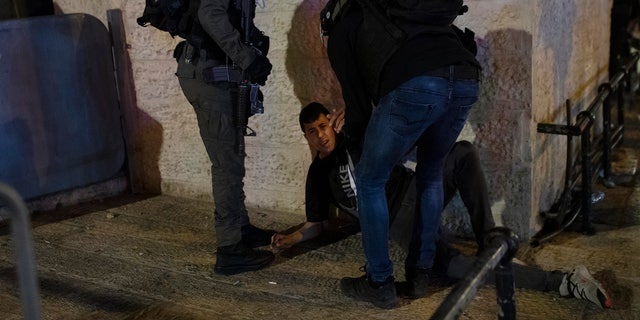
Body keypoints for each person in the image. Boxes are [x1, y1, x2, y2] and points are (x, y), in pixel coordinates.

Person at [271, 103, 613, 309]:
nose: (321, 135)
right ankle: (565, 282)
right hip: (399, 223)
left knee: (462, 153)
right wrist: (291, 239)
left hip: (418, 188)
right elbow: (317, 222)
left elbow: (389, 121)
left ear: (331, 122)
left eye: (322, 126)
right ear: (305, 137)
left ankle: (490, 239)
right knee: (458, 269)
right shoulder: (318, 175)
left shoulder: (355, 135)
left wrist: (360, 117)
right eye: (312, 132)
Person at [322, 0, 482, 308]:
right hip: (464, 76)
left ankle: (379, 282)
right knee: (431, 173)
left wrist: (357, 140)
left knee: (369, 180)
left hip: (417, 80)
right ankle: (420, 275)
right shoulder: (401, 10)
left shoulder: (344, 22)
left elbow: (357, 107)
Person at [173, 0, 276, 275]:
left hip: (213, 76)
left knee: (233, 155)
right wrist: (247, 58)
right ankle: (229, 249)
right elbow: (210, 14)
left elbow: (232, 19)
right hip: (209, 79)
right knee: (227, 164)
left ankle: (240, 229)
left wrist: (254, 40)